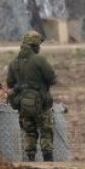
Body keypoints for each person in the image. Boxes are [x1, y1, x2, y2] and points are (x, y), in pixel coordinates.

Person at [6, 30, 58, 161]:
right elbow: (52, 78)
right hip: (41, 103)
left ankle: (31, 160)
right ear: (35, 45)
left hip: (23, 104)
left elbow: (10, 83)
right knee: (46, 130)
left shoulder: (14, 62)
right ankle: (48, 160)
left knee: (29, 131)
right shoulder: (39, 60)